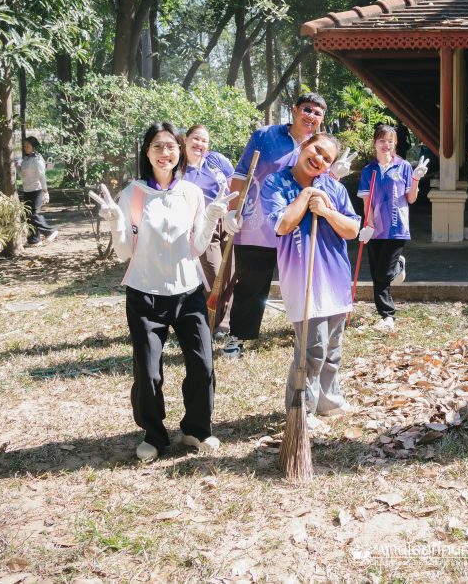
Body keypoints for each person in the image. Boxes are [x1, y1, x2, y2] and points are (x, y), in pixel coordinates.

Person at [88, 121, 236, 461]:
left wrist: (212, 218)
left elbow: (197, 248)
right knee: (148, 372)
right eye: (157, 146)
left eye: (170, 146)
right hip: (145, 294)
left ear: (179, 151)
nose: (164, 152)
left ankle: (196, 430)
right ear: (147, 152)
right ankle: (153, 435)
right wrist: (115, 223)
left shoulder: (191, 193)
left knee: (203, 365)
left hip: (188, 293)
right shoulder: (134, 193)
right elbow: (124, 253)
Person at [222, 93, 354, 358]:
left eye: (317, 113)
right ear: (294, 110)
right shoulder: (266, 135)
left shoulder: (320, 146)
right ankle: (238, 335)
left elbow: (321, 184)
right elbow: (241, 172)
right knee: (251, 282)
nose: (311, 116)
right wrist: (233, 210)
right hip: (259, 226)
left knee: (306, 280)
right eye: (307, 109)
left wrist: (333, 174)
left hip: (300, 229)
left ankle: (307, 330)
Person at [260, 133, 360, 429]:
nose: (319, 159)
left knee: (333, 347)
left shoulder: (334, 188)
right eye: (316, 150)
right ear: (304, 146)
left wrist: (326, 211)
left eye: (327, 158)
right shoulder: (276, 183)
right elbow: (281, 224)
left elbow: (352, 229)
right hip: (302, 277)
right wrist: (305, 196)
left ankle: (329, 400)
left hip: (335, 276)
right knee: (311, 349)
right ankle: (301, 408)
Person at [356, 125, 429, 331]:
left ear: (395, 143)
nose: (386, 145)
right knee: (376, 275)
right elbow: (367, 201)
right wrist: (368, 224)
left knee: (382, 274)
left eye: (390, 141)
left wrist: (415, 179)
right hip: (375, 229)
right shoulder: (368, 170)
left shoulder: (403, 166)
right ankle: (386, 316)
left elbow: (411, 199)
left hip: (397, 227)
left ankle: (397, 267)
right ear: (375, 143)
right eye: (382, 140)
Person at [181, 124, 240, 339]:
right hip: (202, 225)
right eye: (196, 139)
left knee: (231, 274)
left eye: (204, 140)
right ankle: (209, 320)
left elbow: (236, 184)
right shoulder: (178, 168)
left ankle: (224, 323)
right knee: (214, 276)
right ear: (185, 139)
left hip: (226, 220)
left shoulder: (216, 161)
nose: (200, 144)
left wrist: (235, 212)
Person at [17, 136, 58, 246]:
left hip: (37, 190)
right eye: (24, 146)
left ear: (33, 147)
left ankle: (50, 231)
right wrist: (18, 167)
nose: (25, 148)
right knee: (28, 215)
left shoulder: (38, 159)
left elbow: (42, 176)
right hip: (27, 190)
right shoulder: (25, 159)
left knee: (34, 214)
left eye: (28, 146)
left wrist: (45, 191)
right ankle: (34, 240)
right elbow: (23, 176)